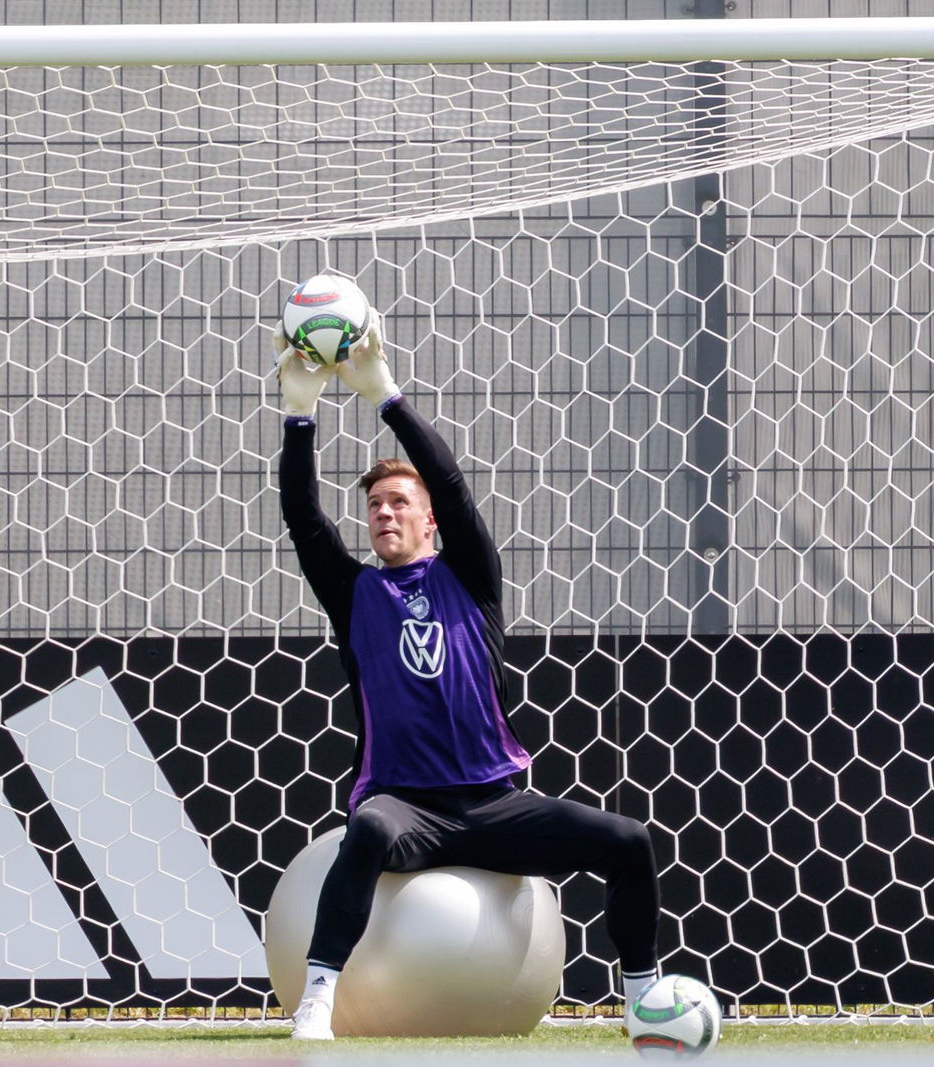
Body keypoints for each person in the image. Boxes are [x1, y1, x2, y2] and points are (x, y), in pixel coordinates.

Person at [274, 314, 662, 1040]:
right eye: (375, 506)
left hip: (493, 805)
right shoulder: (353, 592)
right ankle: (319, 998)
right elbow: (302, 516)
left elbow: (450, 483)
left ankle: (642, 997)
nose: (384, 513)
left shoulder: (472, 578)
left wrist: (386, 395)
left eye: (399, 503)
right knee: (366, 827)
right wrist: (300, 415)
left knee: (629, 840)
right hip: (406, 808)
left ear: (430, 523)